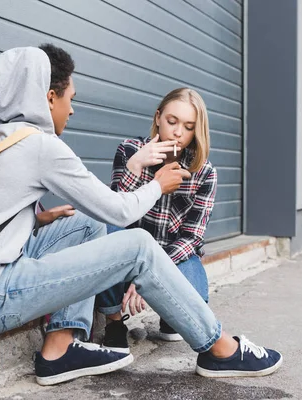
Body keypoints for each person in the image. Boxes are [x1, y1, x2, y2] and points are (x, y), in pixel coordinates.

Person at [0, 43, 282, 386]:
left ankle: (60, 349)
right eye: (70, 97)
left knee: (85, 223)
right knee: (137, 245)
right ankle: (220, 349)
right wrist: (158, 184)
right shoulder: (41, 146)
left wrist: (34, 219)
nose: (71, 110)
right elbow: (117, 209)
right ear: (49, 97)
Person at [96, 88, 216, 353]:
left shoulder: (203, 172)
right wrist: (135, 166)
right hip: (126, 253)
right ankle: (114, 322)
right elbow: (113, 213)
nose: (177, 132)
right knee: (104, 231)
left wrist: (154, 272)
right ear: (158, 117)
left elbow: (192, 237)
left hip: (171, 256)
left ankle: (169, 315)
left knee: (197, 297)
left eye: (187, 127)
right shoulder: (129, 150)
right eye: (172, 121)